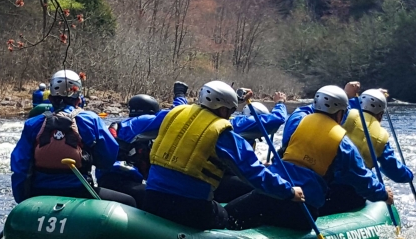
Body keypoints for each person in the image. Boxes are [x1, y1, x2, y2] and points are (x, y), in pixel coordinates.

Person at [226, 85, 393, 231]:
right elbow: (361, 180)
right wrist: (383, 194)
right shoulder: (344, 144)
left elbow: (296, 115)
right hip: (302, 211)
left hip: (272, 194)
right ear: (341, 114)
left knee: (230, 215)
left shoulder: (297, 121)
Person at [144, 80, 304, 230]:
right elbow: (254, 173)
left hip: (151, 198)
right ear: (222, 109)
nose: (231, 115)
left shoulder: (174, 114)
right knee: (226, 217)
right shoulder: (221, 132)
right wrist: (288, 191)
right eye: (231, 111)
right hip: (189, 207)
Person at [10, 70, 136, 207]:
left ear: (50, 98)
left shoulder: (32, 124)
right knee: (129, 201)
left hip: (39, 194)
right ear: (78, 98)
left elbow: (19, 165)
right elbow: (107, 160)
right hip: (80, 192)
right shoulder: (91, 120)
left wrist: (23, 199)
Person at [320, 88, 413, 215]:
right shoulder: (381, 137)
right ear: (380, 115)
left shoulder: (344, 115)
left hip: (322, 184)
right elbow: (394, 172)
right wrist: (409, 175)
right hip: (351, 193)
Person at [97, 82, 189, 208]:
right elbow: (177, 115)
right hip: (121, 182)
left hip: (110, 180)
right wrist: (180, 95)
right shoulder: (139, 122)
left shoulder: (126, 126)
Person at [214, 91, 289, 203]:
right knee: (263, 188)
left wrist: (262, 165)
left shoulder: (240, 127)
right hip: (220, 180)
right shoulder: (241, 124)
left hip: (225, 175)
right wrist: (280, 103)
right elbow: (277, 119)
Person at [281, 81, 362, 150]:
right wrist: (349, 96)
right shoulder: (341, 142)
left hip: (283, 166)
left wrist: (347, 95)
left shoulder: (298, 115)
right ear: (339, 115)